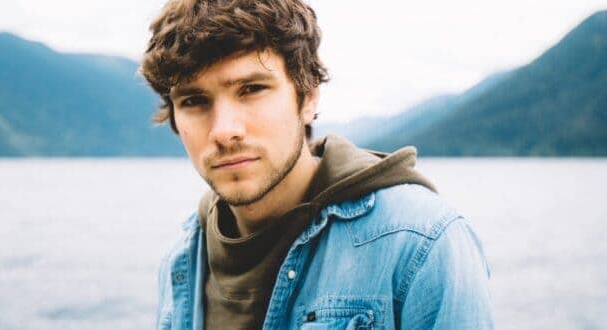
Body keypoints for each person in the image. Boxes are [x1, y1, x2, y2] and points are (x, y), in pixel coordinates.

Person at [140, 0, 494, 329]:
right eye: (194, 100)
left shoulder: (422, 242)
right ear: (174, 118)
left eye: (251, 89)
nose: (224, 131)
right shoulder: (183, 260)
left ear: (307, 97)